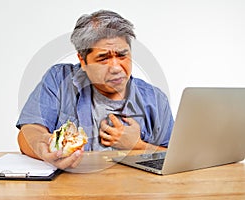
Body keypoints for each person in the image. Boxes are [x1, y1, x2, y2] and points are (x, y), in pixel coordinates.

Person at [16, 9, 174, 169]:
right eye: (103, 58)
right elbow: (29, 132)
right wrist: (46, 148)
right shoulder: (59, 79)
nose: (116, 68)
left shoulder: (155, 98)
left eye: (122, 55)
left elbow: (176, 157)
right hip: (70, 190)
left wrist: (138, 146)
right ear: (82, 60)